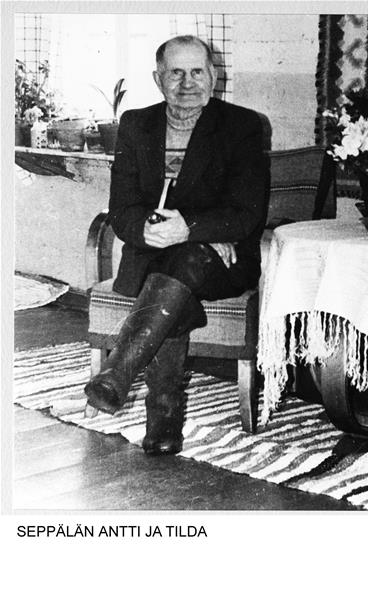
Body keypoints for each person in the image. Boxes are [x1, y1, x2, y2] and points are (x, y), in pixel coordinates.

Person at [84, 35, 268, 455]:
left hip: (221, 261)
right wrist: (143, 230)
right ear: (158, 78)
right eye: (176, 73)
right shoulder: (136, 124)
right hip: (152, 257)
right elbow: (122, 207)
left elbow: (248, 211)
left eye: (197, 72)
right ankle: (162, 425)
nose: (187, 83)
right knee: (175, 287)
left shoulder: (241, 125)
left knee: (185, 260)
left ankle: (121, 377)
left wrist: (194, 230)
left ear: (214, 76)